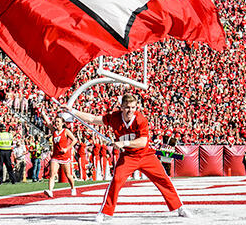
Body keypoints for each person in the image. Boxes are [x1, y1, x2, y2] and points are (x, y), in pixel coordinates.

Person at [66, 93, 191, 222]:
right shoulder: (115, 118)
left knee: (163, 179)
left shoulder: (140, 119)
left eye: (132, 107)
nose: (130, 110)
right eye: (127, 107)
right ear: (121, 107)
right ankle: (105, 212)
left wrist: (123, 143)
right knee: (117, 180)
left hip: (145, 155)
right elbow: (93, 119)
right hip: (128, 156)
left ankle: (179, 207)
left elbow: (142, 142)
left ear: (136, 107)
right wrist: (73, 111)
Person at [40, 111, 78, 198]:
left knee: (68, 175)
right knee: (52, 173)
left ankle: (73, 188)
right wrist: (43, 114)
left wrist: (67, 149)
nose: (56, 123)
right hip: (55, 156)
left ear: (62, 123)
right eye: (55, 121)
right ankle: (50, 191)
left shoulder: (66, 131)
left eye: (58, 122)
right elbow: (48, 123)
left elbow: (75, 140)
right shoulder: (53, 131)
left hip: (64, 156)